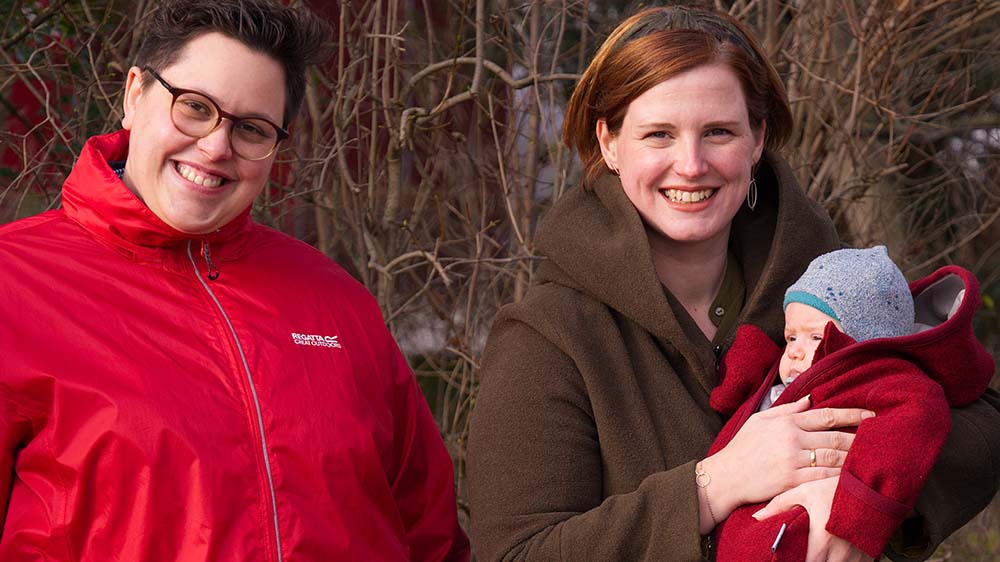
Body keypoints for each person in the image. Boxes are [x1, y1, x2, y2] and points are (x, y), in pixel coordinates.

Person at [465, 6, 1000, 562]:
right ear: (609, 143)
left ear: (757, 139)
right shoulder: (550, 337)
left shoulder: (822, 283)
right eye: (658, 135)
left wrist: (858, 499)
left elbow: (978, 421)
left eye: (718, 131)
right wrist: (712, 487)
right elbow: (517, 552)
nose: (691, 164)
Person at [0, 1, 469, 560]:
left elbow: (430, 534)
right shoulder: (16, 283)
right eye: (194, 107)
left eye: (250, 128)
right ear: (133, 96)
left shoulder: (334, 301)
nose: (217, 146)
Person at [707, 246, 994, 560]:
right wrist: (743, 364)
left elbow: (915, 423)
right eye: (791, 338)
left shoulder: (882, 380)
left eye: (815, 338)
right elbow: (740, 391)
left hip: (802, 520)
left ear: (861, 343)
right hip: (737, 510)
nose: (795, 352)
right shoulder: (784, 375)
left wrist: (859, 509)